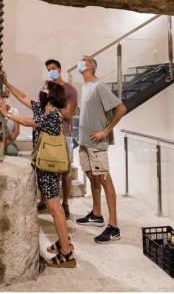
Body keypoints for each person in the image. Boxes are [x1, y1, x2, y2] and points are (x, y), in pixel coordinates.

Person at [0, 75, 75, 267]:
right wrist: (7, 83)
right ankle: (64, 241)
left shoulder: (53, 115)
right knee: (54, 207)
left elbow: (26, 122)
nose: (42, 89)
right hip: (43, 165)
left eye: (45, 88)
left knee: (54, 207)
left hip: (48, 167)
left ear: (52, 96)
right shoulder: (44, 110)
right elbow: (23, 97)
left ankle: (67, 253)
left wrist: (6, 113)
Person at [74, 56, 127, 244]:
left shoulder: (99, 86)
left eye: (84, 60)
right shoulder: (85, 86)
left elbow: (121, 109)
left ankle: (113, 227)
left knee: (105, 180)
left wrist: (105, 131)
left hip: (97, 144)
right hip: (84, 142)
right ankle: (96, 214)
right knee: (91, 175)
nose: (80, 62)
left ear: (92, 66)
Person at [42, 59, 78, 219]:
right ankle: (46, 201)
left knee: (65, 171)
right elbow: (41, 109)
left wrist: (52, 108)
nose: (51, 71)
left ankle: (65, 204)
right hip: (48, 133)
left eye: (54, 68)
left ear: (60, 69)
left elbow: (69, 113)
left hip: (65, 134)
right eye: (49, 69)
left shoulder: (70, 89)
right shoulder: (46, 87)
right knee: (46, 169)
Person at [1, 88, 21, 156]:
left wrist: (7, 142)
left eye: (6, 97)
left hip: (10, 141)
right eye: (2, 96)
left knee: (11, 151)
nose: (5, 99)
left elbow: (16, 131)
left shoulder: (14, 111)